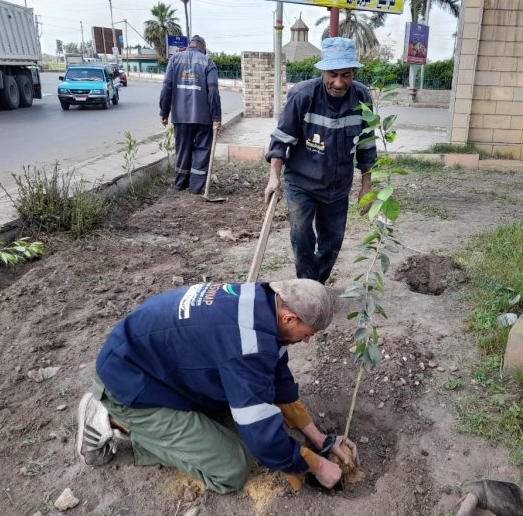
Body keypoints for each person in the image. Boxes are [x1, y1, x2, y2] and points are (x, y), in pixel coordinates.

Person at [76, 278, 358, 494]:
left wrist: (318, 437)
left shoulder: (260, 301)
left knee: (243, 411)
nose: (306, 341)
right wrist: (316, 465)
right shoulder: (247, 346)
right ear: (289, 318)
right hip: (130, 386)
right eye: (307, 334)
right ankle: (115, 421)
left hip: (154, 365)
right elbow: (264, 442)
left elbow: (276, 373)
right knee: (233, 467)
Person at [264, 37, 377, 284]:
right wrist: (274, 177)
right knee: (302, 237)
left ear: (353, 72)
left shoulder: (362, 98)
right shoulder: (303, 95)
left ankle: (317, 285)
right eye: (332, 74)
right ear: (323, 70)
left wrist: (366, 186)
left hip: (337, 187)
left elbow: (367, 145)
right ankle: (307, 287)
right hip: (302, 183)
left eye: (346, 75)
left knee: (332, 242)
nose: (338, 82)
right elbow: (281, 139)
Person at [159, 34, 222, 194]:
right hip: (204, 118)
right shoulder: (208, 62)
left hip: (181, 117)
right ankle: (195, 187)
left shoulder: (175, 59)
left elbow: (167, 86)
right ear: (203, 47)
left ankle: (180, 184)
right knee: (202, 151)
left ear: (190, 45)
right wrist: (216, 117)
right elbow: (213, 90)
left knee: (183, 150)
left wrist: (164, 112)